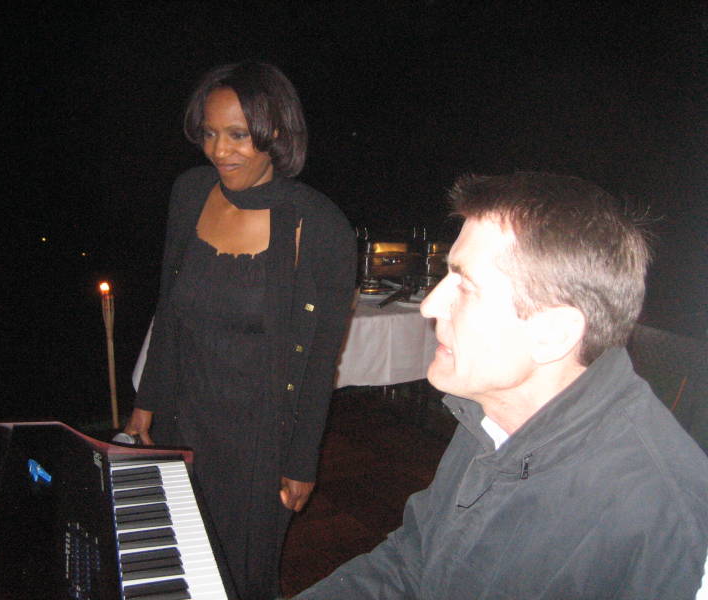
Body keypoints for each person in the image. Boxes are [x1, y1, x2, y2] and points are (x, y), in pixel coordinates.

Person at [296, 172, 708, 599]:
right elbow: (413, 562)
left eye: (465, 286)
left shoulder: (665, 525)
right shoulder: (492, 415)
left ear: (552, 333)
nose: (431, 305)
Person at [124, 61, 356, 599]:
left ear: (276, 133)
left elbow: (321, 358)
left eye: (237, 135)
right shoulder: (189, 193)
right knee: (180, 550)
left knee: (244, 574)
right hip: (185, 416)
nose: (219, 151)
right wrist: (145, 405)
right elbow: (170, 310)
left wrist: (301, 460)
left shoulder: (319, 226)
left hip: (258, 440)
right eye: (209, 133)